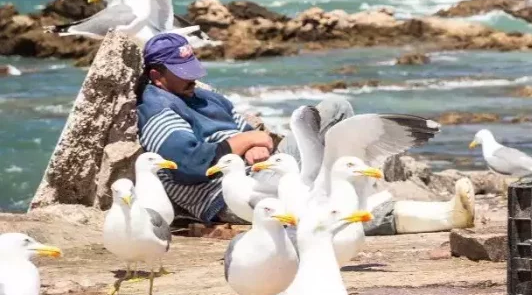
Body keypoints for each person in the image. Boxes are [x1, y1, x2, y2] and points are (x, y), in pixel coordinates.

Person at [137, 33, 476, 235]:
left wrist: (259, 145)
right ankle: (440, 216)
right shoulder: (159, 109)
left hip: (262, 169)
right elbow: (187, 162)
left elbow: (259, 134)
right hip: (225, 192)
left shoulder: (201, 96)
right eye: (182, 73)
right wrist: (244, 144)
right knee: (312, 217)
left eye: (192, 68)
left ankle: (349, 193)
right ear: (156, 75)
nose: (192, 78)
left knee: (336, 107)